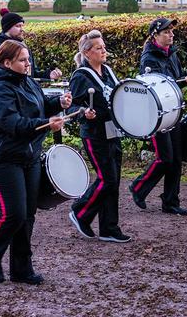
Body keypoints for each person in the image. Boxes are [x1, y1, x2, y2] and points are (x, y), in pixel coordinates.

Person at [0, 40, 70, 284]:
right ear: (7, 63)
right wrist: (46, 124)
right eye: (23, 60)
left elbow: (38, 106)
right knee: (13, 214)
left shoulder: (28, 81)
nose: (28, 64)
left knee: (28, 214)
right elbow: (14, 124)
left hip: (28, 156)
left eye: (28, 60)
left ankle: (21, 269)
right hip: (0, 158)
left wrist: (57, 103)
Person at [129, 18, 187, 216]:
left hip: (173, 111)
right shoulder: (149, 59)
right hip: (156, 115)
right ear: (155, 35)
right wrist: (184, 82)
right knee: (165, 159)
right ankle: (138, 188)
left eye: (171, 31)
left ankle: (170, 202)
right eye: (167, 32)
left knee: (176, 159)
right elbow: (160, 86)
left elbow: (179, 76)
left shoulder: (171, 53)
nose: (171, 34)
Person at [67, 30, 132, 243]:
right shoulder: (80, 76)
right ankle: (80, 211)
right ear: (87, 53)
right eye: (99, 48)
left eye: (104, 47)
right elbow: (72, 107)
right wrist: (84, 113)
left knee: (114, 181)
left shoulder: (108, 71)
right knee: (107, 179)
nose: (104, 51)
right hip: (94, 134)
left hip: (113, 131)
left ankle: (109, 228)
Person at [0, 12, 62, 82]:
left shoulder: (23, 47)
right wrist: (11, 75)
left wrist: (48, 75)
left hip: (25, 91)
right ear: (7, 28)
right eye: (18, 26)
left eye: (22, 26)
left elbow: (31, 74)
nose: (22, 29)